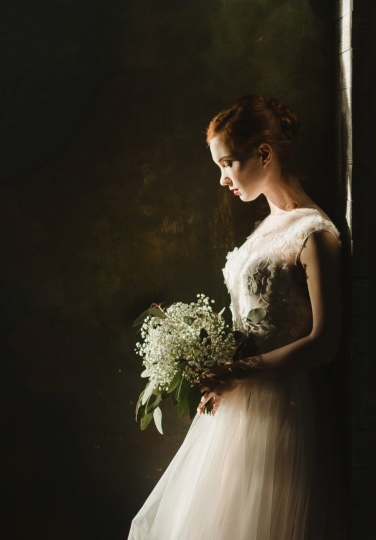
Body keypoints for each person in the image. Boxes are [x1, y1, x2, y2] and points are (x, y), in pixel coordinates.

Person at [128, 94, 342, 540]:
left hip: (282, 410)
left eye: (228, 163)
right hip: (239, 407)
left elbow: (325, 342)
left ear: (263, 153)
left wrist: (237, 371)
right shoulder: (268, 225)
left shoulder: (315, 234)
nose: (223, 179)